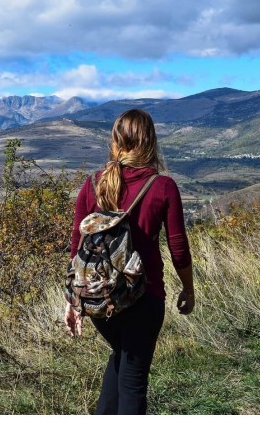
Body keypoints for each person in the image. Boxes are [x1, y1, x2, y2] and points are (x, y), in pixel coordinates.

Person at [65, 108, 194, 415]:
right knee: (133, 382)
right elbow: (178, 248)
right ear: (150, 141)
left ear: (115, 140)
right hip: (144, 296)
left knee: (121, 360)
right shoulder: (162, 186)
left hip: (99, 298)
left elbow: (77, 245)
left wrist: (73, 301)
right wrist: (188, 290)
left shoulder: (93, 183)